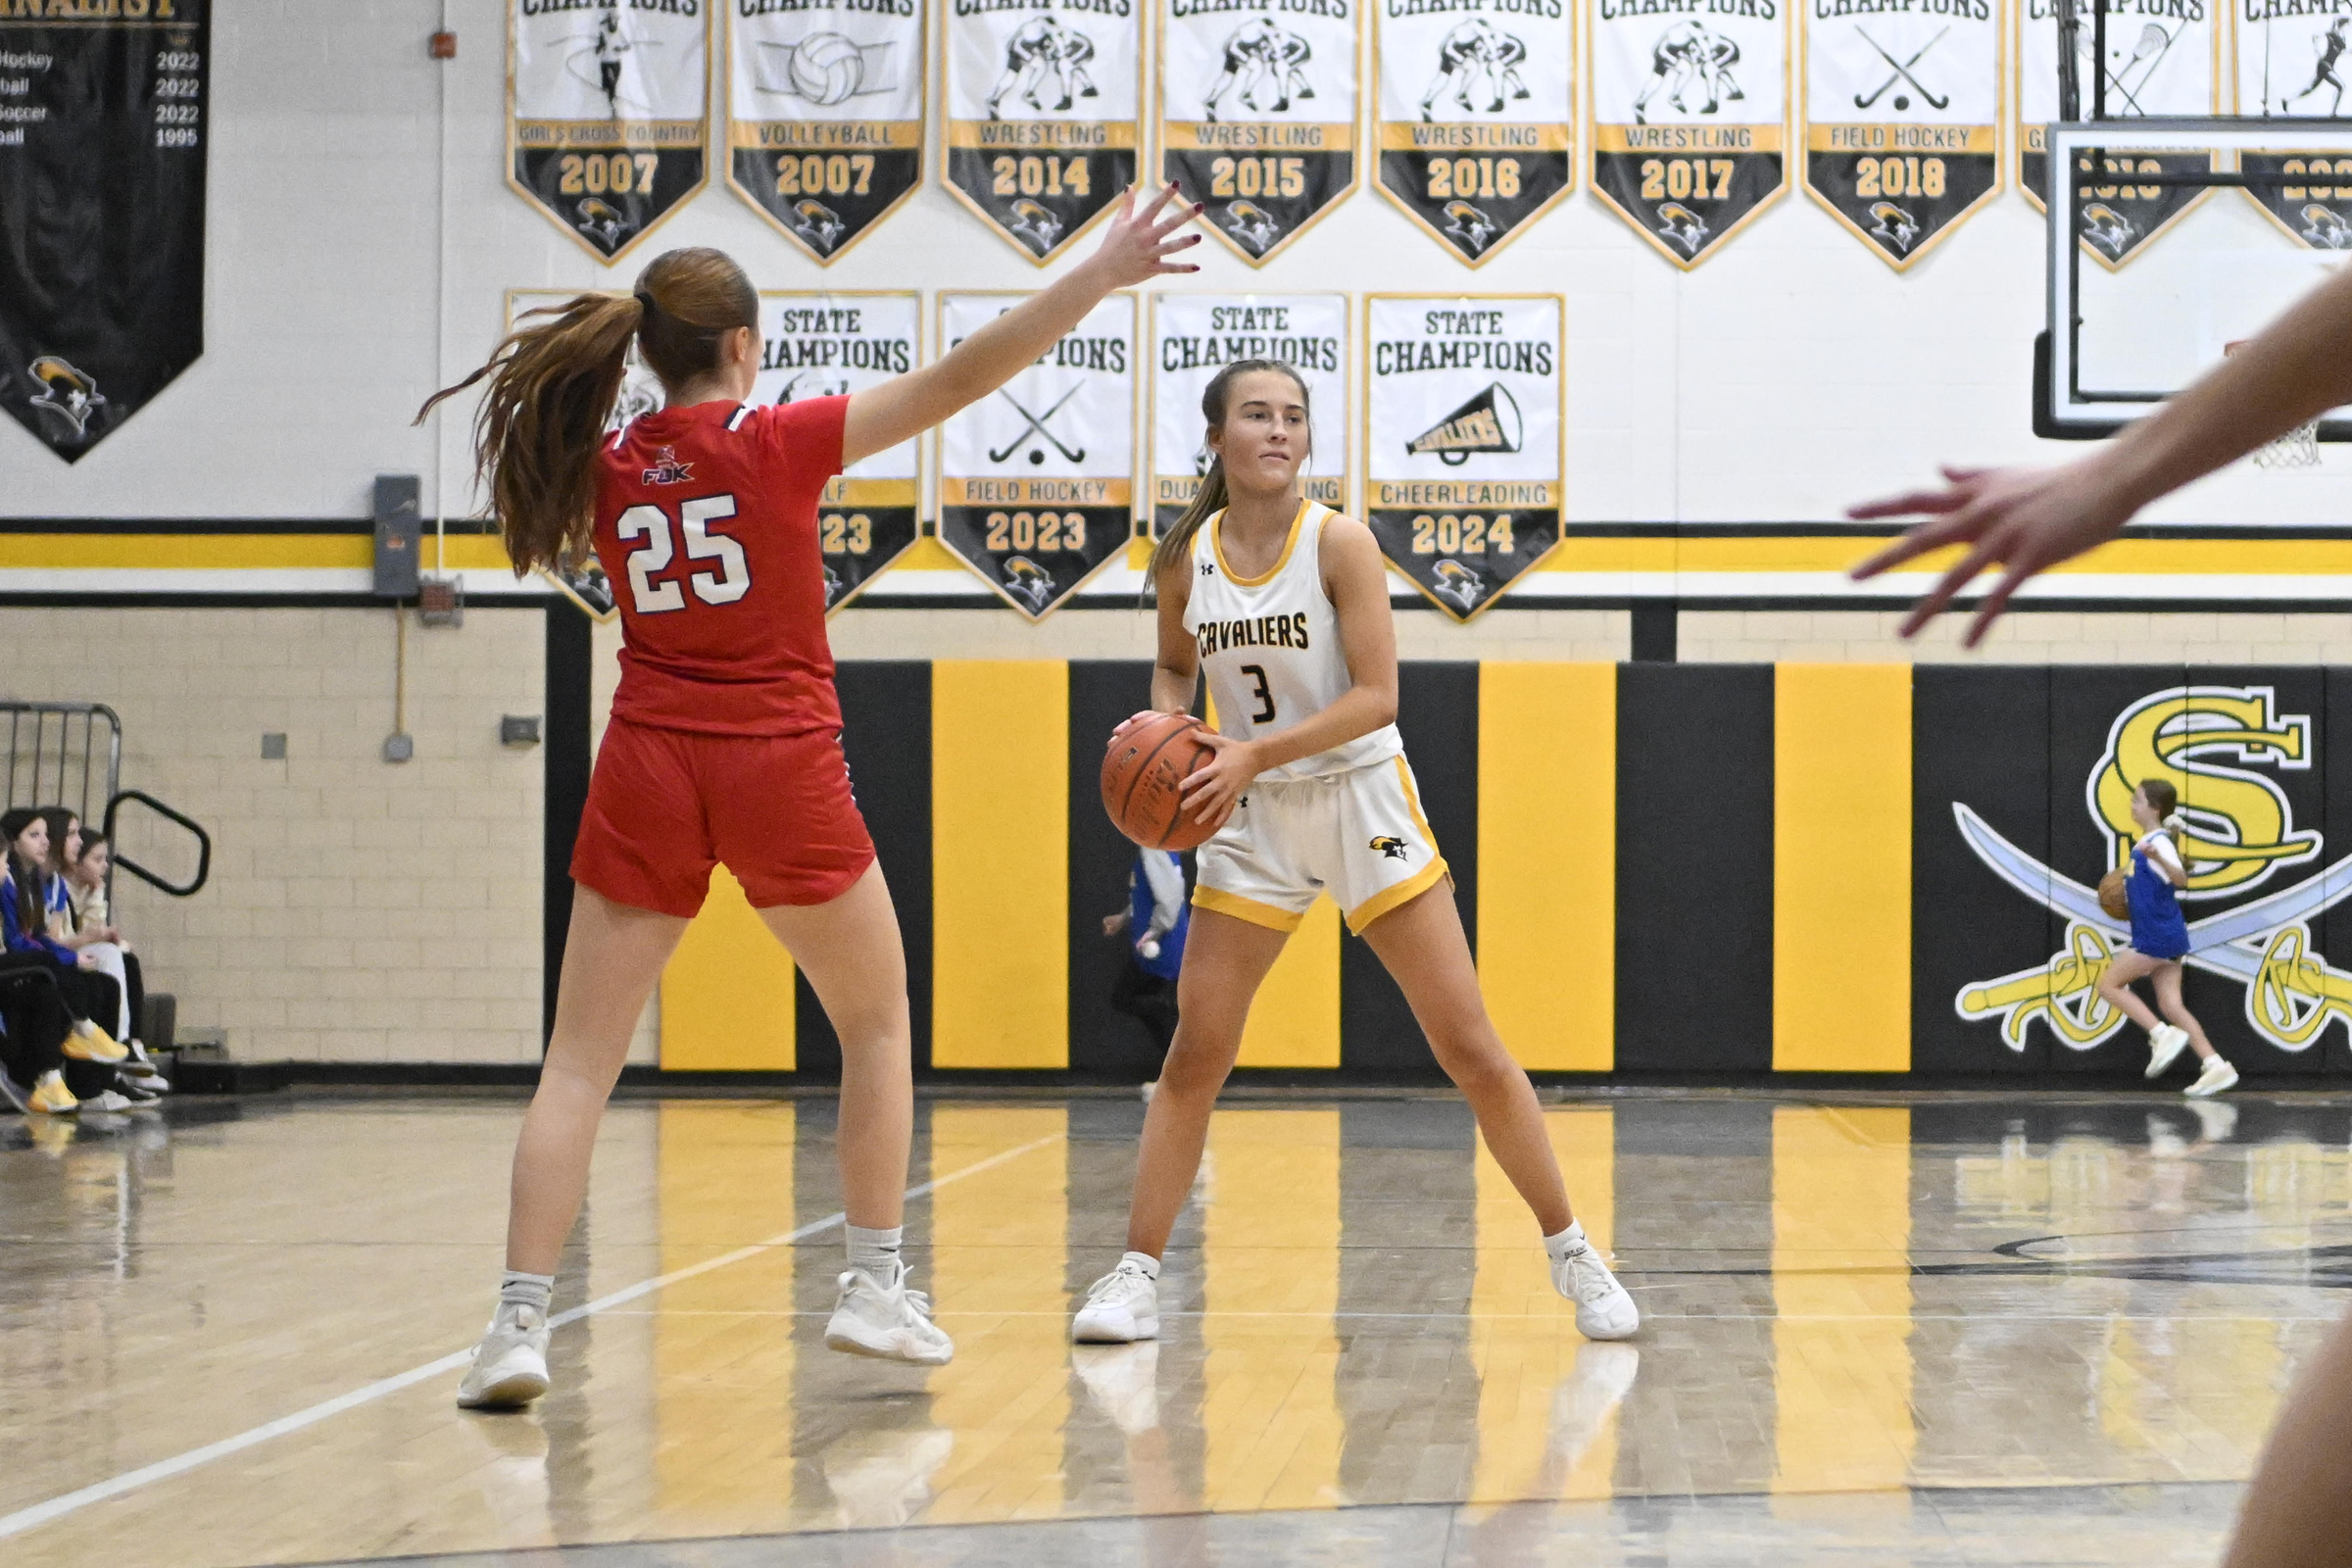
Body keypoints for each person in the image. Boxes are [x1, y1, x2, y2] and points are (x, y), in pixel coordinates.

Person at [415, 187, 1200, 1409]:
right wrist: (1096, 275)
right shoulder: (776, 440)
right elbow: (961, 374)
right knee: (875, 1023)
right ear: (742, 347)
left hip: (649, 759)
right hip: (778, 757)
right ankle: (875, 1285)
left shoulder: (606, 461)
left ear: (646, 347)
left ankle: (516, 1326)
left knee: (577, 1064)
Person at [1848, 260, 2352, 1568]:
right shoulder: (2149, 838)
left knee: (2144, 979)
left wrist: (2115, 477)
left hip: (2171, 925)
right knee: (2152, 991)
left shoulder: (2155, 840)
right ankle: (2193, 1050)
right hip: (2167, 926)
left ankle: (2190, 1048)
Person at [1069, 360, 1639, 1346]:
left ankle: (1574, 1252)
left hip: (1359, 794)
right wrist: (1174, 739)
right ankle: (1134, 1274)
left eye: (1294, 416)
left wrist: (1249, 752)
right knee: (1197, 1051)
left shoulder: (1338, 542)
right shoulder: (1184, 556)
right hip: (1244, 812)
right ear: (1217, 438)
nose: (1279, 430)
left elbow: (1378, 696)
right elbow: (1174, 665)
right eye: (1257, 414)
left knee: (1468, 1045)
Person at [2093, 780, 2236, 1098]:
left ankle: (2160, 1034)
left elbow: (2181, 879)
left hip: (2156, 937)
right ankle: (2215, 1065)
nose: (2132, 805)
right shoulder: (2149, 842)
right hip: (2168, 934)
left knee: (2108, 986)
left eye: (2138, 800)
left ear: (2154, 809)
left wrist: (2158, 856)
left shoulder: (2157, 844)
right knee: (2171, 1004)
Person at [1, 809, 129, 1089]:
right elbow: (16, 940)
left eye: (46, 835)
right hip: (14, 964)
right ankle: (78, 1034)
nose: (45, 842)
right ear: (13, 845)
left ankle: (98, 1082)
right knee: (51, 974)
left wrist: (69, 955)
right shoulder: (9, 882)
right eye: (35, 836)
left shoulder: (33, 881)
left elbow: (39, 935)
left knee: (103, 983)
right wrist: (69, 955)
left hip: (24, 960)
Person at [1102, 847, 1187, 1098]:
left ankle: (1179, 1079)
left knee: (1129, 1000)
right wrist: (1123, 917)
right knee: (1151, 1012)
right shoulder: (1155, 851)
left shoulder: (1154, 851)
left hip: (1160, 945)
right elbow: (1148, 892)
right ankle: (1176, 1078)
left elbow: (1170, 900)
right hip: (1157, 942)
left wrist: (1154, 932)